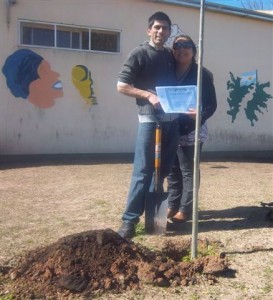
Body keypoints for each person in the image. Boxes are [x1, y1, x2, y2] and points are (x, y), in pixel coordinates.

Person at [117, 11, 179, 239]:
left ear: (170, 32)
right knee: (143, 171)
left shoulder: (170, 56)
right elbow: (122, 85)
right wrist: (148, 95)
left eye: (165, 28)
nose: (161, 31)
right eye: (157, 27)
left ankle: (153, 219)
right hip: (149, 120)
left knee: (161, 172)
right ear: (149, 30)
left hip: (171, 121)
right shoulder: (139, 53)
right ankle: (129, 221)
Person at [167, 34, 217, 222]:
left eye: (186, 45)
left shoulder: (201, 74)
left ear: (194, 51)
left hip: (191, 129)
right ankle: (172, 205)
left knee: (188, 170)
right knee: (172, 170)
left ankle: (186, 210)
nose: (181, 49)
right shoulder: (169, 71)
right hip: (171, 128)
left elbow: (211, 104)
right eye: (177, 45)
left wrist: (199, 115)